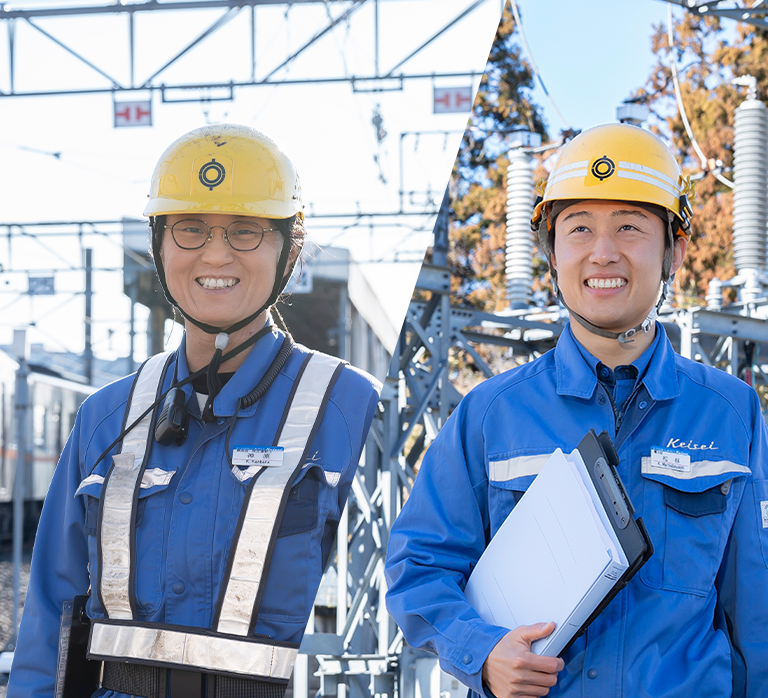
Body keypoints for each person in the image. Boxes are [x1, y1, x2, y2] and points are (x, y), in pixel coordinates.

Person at [384, 123, 768, 698]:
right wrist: (483, 653)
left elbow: (757, 605)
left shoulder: (730, 412)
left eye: (630, 228)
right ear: (552, 253)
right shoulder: (491, 415)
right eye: (579, 227)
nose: (603, 252)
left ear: (674, 251)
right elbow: (419, 566)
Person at [8, 124, 381, 698]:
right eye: (190, 229)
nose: (215, 253)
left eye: (245, 231)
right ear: (159, 244)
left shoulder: (352, 407)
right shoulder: (106, 417)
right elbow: (52, 614)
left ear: (291, 250)